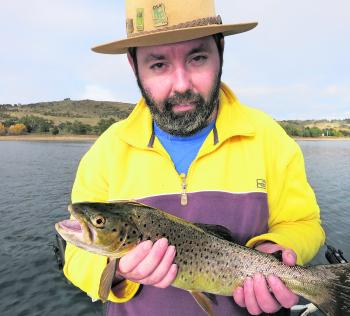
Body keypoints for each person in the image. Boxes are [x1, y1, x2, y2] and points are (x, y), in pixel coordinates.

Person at [64, 0, 325, 315]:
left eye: (198, 58)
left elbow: (304, 223)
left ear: (220, 50)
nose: (182, 85)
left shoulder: (269, 138)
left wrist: (278, 250)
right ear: (134, 65)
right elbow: (76, 259)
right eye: (158, 64)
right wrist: (118, 270)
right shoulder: (106, 151)